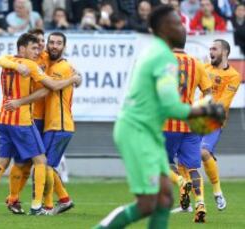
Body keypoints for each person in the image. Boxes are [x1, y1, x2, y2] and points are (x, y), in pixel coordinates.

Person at [93, 5, 225, 228]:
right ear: (162, 29)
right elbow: (170, 104)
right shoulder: (162, 57)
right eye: (175, 22)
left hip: (148, 130)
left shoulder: (157, 53)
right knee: (148, 203)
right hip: (137, 131)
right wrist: (201, 111)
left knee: (164, 198)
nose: (181, 26)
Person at [0, 33, 81, 215]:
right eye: (34, 46)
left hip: (5, 119)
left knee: (2, 162)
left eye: (41, 44)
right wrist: (73, 79)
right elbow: (52, 87)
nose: (38, 49)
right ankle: (38, 206)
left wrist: (15, 65)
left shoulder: (9, 59)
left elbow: (0, 60)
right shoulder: (31, 65)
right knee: (41, 162)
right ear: (22, 48)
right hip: (23, 121)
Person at [5, 32, 77, 214]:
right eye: (48, 42)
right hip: (41, 121)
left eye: (57, 43)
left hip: (55, 123)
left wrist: (75, 78)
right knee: (30, 163)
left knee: (42, 164)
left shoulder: (60, 66)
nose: (50, 45)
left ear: (64, 47)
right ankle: (53, 200)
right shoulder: (42, 59)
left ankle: (48, 204)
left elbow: (52, 87)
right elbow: (1, 60)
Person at [163, 45, 212, 223]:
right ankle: (200, 204)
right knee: (192, 167)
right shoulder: (197, 63)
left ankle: (181, 182)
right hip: (191, 122)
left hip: (168, 122)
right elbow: (208, 93)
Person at [201, 39, 241, 211]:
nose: (211, 51)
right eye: (210, 49)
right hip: (198, 116)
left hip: (214, 119)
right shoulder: (204, 68)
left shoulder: (234, 76)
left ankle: (217, 192)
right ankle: (187, 198)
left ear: (224, 52)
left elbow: (223, 103)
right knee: (183, 156)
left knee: (203, 152)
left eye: (214, 49)